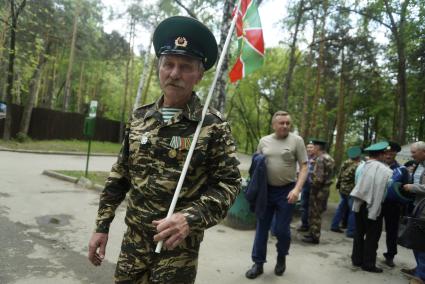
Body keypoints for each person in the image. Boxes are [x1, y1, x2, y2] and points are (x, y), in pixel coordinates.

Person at [87, 16, 241, 284]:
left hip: (177, 252)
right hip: (133, 246)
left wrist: (190, 218)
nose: (174, 73)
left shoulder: (212, 126)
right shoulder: (140, 118)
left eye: (185, 66)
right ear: (159, 67)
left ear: (199, 74)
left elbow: (229, 184)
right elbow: (119, 176)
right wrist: (102, 226)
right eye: (168, 64)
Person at [245, 111, 308, 279]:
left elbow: (304, 166)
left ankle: (281, 257)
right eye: (282, 123)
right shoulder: (264, 141)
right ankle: (258, 264)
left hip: (286, 191)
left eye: (288, 123)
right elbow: (256, 165)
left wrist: (297, 189)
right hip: (266, 191)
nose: (285, 126)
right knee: (261, 229)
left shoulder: (297, 141)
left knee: (281, 230)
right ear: (274, 125)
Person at [350, 141, 393, 273]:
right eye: (385, 153)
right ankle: (368, 263)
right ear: (381, 154)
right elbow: (386, 190)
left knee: (359, 232)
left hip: (359, 203)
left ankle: (356, 259)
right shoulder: (386, 170)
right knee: (372, 235)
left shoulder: (361, 166)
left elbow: (357, 182)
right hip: (374, 206)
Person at [302, 139, 335, 244]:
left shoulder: (320, 159)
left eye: (314, 146)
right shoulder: (329, 158)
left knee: (315, 213)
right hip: (325, 189)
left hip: (318, 190)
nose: (312, 148)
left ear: (317, 148)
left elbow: (318, 179)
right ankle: (313, 232)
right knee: (317, 212)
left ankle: (314, 236)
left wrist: (312, 185)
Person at [401, 141, 425, 284]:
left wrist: (412, 187)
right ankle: (419, 270)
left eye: (414, 152)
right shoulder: (418, 164)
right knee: (416, 241)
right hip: (417, 207)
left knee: (422, 242)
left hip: (424, 212)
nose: (411, 154)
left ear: (423, 152)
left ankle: (421, 277)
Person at [330, 146, 362, 235]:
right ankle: (351, 231)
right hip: (351, 191)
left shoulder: (346, 162)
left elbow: (340, 175)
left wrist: (338, 185)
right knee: (353, 210)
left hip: (342, 189)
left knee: (341, 208)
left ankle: (334, 225)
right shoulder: (359, 165)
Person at [381, 141, 402, 267]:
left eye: (391, 153)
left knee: (392, 230)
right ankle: (369, 253)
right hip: (378, 202)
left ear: (395, 154)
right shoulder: (378, 166)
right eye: (386, 153)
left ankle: (390, 255)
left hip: (392, 205)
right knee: (373, 229)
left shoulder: (400, 170)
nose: (388, 155)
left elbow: (403, 189)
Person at [297, 142, 315, 232]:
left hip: (314, 186)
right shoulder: (304, 158)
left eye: (311, 147)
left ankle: (312, 226)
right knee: (304, 205)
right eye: (307, 147)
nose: (309, 149)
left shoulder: (318, 159)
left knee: (313, 206)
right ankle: (304, 224)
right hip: (305, 185)